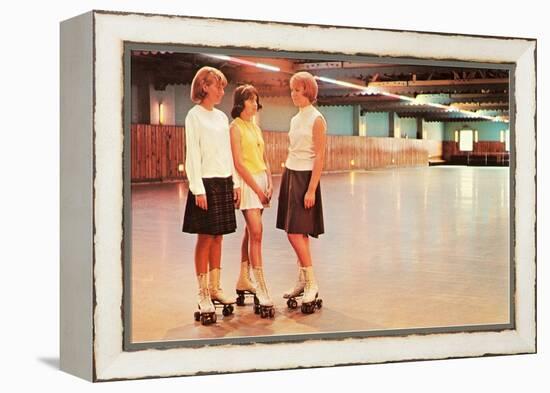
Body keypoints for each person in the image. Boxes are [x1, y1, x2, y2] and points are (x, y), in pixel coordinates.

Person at [182, 66, 241, 325]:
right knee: (205, 237)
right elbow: (192, 154)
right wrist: (197, 188)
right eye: (218, 86)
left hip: (224, 179)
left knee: (218, 236)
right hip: (204, 181)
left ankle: (216, 287)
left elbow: (227, 152)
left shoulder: (221, 118)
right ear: (204, 86)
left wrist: (235, 182)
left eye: (223, 87)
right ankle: (202, 292)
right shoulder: (193, 116)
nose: (222, 91)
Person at [276, 71, 327, 314]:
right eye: (292, 89)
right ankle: (302, 280)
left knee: (295, 233)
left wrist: (312, 189)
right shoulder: (295, 119)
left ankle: (312, 283)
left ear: (308, 91)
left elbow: (320, 155)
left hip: (306, 177)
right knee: (298, 233)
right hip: (291, 173)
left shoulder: (317, 119)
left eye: (297, 90)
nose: (293, 94)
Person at [229, 85, 275, 318]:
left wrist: (269, 179)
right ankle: (261, 286)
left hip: (260, 180)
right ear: (241, 103)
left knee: (250, 232)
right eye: (250, 100)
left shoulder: (255, 127)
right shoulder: (235, 127)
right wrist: (257, 189)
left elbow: (263, 157)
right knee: (257, 232)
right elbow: (238, 162)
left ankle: (243, 279)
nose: (254, 104)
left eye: (256, 99)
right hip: (248, 183)